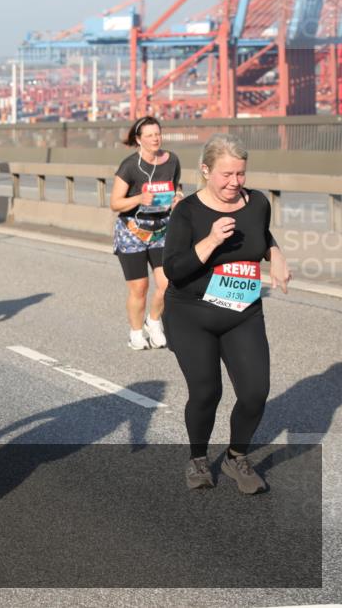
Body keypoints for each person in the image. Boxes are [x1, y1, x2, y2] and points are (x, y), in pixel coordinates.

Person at [163, 133, 290, 494]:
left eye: (240, 174)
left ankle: (236, 457)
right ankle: (199, 459)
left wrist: (275, 254)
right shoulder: (187, 211)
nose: (234, 183)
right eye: (226, 175)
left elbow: (261, 234)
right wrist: (211, 240)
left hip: (242, 311)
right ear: (205, 171)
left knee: (255, 391)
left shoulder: (258, 202)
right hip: (192, 313)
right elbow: (174, 268)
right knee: (207, 392)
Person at [110, 116, 182, 350]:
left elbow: (176, 186)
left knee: (167, 283)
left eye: (157, 134)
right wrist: (140, 198)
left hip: (161, 229)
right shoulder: (130, 166)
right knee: (139, 287)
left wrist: (178, 197)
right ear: (139, 140)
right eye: (149, 135)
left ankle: (153, 321)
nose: (155, 139)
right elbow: (115, 203)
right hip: (132, 231)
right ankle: (136, 333)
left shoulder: (172, 161)